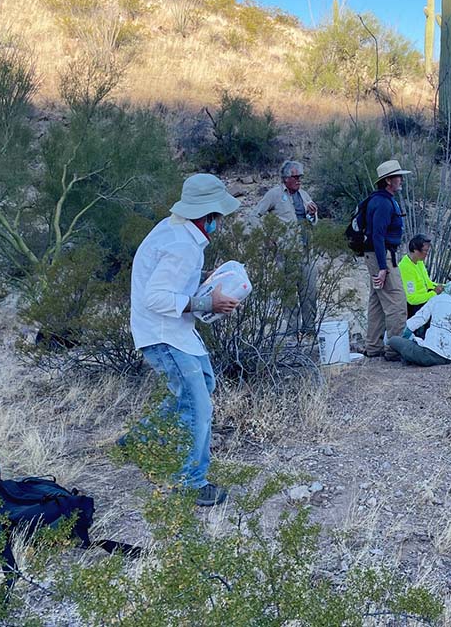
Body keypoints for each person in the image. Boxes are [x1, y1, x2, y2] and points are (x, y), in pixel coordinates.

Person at [129, 173, 241, 507]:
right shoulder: (183, 246)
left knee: (200, 388)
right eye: (217, 216)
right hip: (164, 334)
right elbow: (157, 298)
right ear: (207, 215)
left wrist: (205, 286)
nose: (219, 221)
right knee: (198, 405)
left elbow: (168, 285)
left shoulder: (175, 231)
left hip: (173, 332)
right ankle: (191, 482)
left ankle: (138, 442)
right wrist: (208, 302)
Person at [254, 160, 318, 336]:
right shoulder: (274, 195)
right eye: (295, 177)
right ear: (286, 178)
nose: (299, 180)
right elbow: (255, 216)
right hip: (286, 253)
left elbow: (313, 222)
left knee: (309, 293)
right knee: (289, 295)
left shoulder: (304, 195)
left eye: (300, 177)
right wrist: (266, 236)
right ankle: (291, 332)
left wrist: (313, 215)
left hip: (307, 251)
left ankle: (309, 330)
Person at [363, 159, 409, 361]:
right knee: (397, 302)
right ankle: (395, 349)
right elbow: (378, 236)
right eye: (398, 177)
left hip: (375, 255)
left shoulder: (379, 199)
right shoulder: (383, 203)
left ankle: (373, 347)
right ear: (389, 180)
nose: (401, 180)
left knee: (377, 302)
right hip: (382, 256)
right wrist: (383, 267)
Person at [388, 272, 451, 367]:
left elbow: (415, 321)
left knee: (393, 340)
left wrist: (404, 337)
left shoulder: (439, 299)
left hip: (430, 355)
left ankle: (404, 356)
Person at [399, 233, 444, 317]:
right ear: (415, 250)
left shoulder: (419, 261)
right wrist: (434, 293)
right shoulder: (405, 268)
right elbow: (412, 299)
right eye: (425, 251)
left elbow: (428, 283)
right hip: (414, 309)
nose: (427, 254)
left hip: (424, 301)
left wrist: (444, 286)